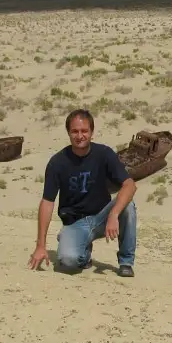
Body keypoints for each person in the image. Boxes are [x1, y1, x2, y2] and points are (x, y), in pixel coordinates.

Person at [27, 108, 138, 277]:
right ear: (68, 133)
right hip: (75, 222)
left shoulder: (104, 154)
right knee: (68, 262)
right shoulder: (57, 162)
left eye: (84, 131)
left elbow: (130, 185)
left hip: (103, 216)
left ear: (92, 132)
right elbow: (47, 202)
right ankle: (82, 252)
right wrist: (40, 246)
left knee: (128, 205)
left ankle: (126, 262)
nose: (80, 136)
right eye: (75, 131)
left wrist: (114, 214)